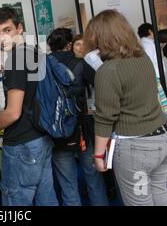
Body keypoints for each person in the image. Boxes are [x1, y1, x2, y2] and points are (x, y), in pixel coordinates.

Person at [84, 10, 167, 206]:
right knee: (160, 195)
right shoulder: (143, 58)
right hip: (164, 139)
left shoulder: (108, 71)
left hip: (137, 149)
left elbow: (105, 118)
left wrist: (99, 155)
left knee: (140, 202)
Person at [0, 7, 58, 206]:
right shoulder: (35, 52)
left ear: (19, 28)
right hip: (43, 136)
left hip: (23, 143)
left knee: (15, 202)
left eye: (7, 30)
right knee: (47, 198)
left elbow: (12, 113)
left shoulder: (16, 59)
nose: (2, 38)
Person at [48, 29, 108, 206]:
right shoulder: (82, 63)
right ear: (69, 44)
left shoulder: (44, 65)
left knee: (68, 184)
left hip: (57, 131)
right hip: (84, 128)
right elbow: (102, 89)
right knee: (94, 179)